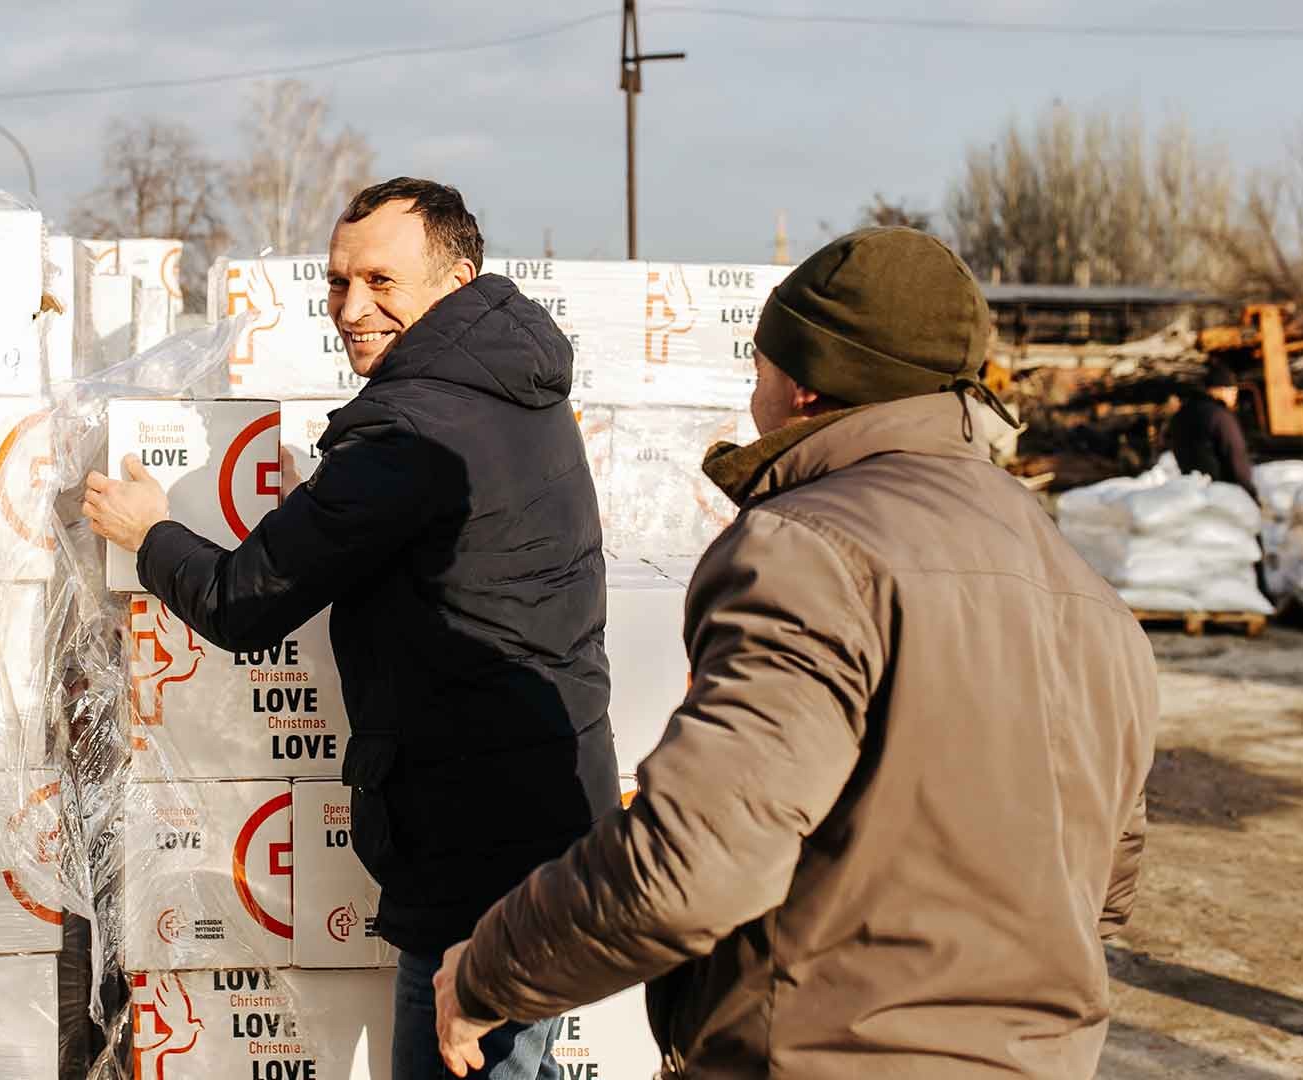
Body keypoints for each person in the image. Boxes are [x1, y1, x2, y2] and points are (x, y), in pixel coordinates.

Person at [430, 227, 1160, 1079]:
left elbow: (695, 861)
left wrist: (489, 970)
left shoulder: (807, 554)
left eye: (760, 368)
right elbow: (1106, 888)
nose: (753, 394)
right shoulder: (1086, 591)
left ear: (809, 386)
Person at [83, 177, 617, 1079]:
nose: (352, 308)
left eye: (381, 282)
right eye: (337, 283)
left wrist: (149, 533)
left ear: (456, 278)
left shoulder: (413, 430)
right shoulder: (514, 388)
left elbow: (244, 602)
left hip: (474, 858)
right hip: (537, 817)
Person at [1169, 366, 1259, 498]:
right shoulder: (1220, 416)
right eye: (1233, 391)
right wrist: (1250, 494)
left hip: (1192, 494)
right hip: (1222, 494)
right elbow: (1236, 457)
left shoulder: (1181, 415)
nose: (1235, 397)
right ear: (1220, 390)